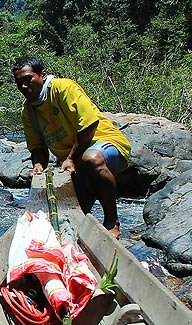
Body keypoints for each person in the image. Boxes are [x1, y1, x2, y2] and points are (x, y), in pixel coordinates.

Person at [11, 56, 131, 238]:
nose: (24, 87)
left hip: (107, 145)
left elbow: (89, 124)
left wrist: (70, 159)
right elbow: (37, 147)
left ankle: (112, 223)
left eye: (28, 79)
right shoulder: (28, 111)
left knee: (92, 158)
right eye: (19, 83)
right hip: (75, 162)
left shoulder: (63, 87)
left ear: (42, 75)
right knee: (68, 220)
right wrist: (38, 165)